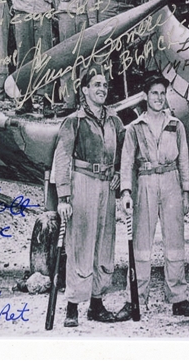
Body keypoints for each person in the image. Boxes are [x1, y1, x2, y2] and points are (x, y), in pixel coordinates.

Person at [120, 74, 189, 317]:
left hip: (171, 182)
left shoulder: (175, 125)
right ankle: (135, 298)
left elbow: (183, 160)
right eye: (154, 93)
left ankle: (178, 298)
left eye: (162, 93)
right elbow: (126, 162)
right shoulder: (135, 128)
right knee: (141, 245)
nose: (158, 97)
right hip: (145, 181)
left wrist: (187, 192)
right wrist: (126, 190)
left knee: (175, 244)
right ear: (146, 96)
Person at [54, 71, 131, 327]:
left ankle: (97, 304)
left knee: (104, 244)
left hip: (107, 186)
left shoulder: (114, 121)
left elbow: (125, 150)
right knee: (80, 244)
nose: (102, 89)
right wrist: (64, 197)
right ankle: (73, 306)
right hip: (82, 182)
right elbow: (63, 157)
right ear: (84, 90)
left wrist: (120, 173)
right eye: (96, 85)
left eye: (105, 85)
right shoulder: (74, 121)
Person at [5, 0, 54, 116]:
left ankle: (46, 100)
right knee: (25, 58)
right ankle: (24, 100)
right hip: (23, 15)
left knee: (45, 57)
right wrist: (17, 2)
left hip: (43, 15)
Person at [51, 0, 98, 116]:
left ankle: (84, 101)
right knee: (66, 57)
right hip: (67, 15)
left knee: (85, 58)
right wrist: (61, 10)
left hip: (86, 15)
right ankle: (68, 102)